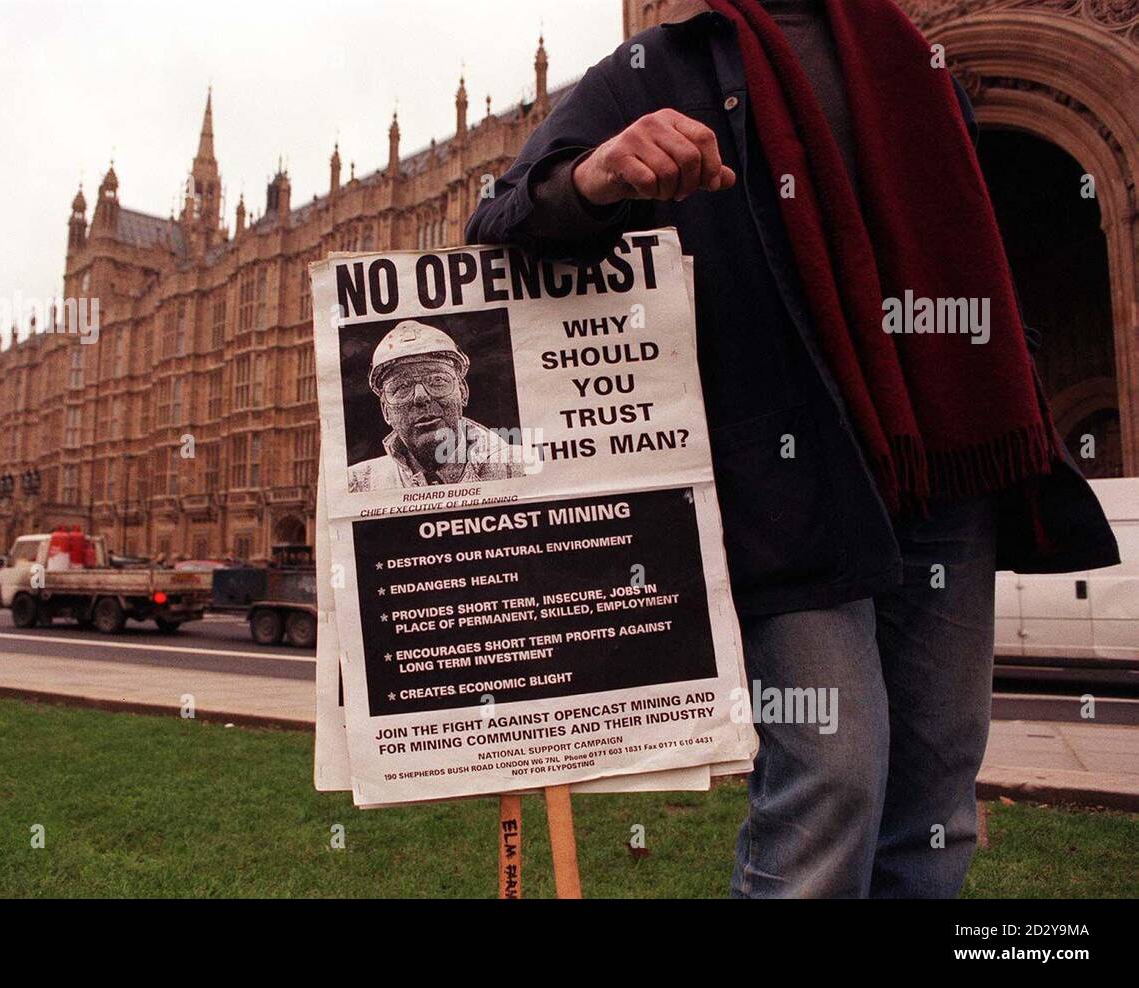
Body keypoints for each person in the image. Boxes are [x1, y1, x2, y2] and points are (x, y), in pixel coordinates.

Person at [467, 0, 1118, 897]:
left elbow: (981, 254)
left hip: (947, 469)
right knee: (833, 777)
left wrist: (1016, 372)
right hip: (790, 485)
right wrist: (595, 176)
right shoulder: (662, 66)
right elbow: (499, 214)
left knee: (936, 803)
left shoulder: (915, 62)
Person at [347, 320, 526, 492]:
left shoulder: (518, 467)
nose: (421, 397)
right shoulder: (359, 484)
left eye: (437, 380)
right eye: (401, 387)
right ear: (385, 411)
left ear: (463, 392)